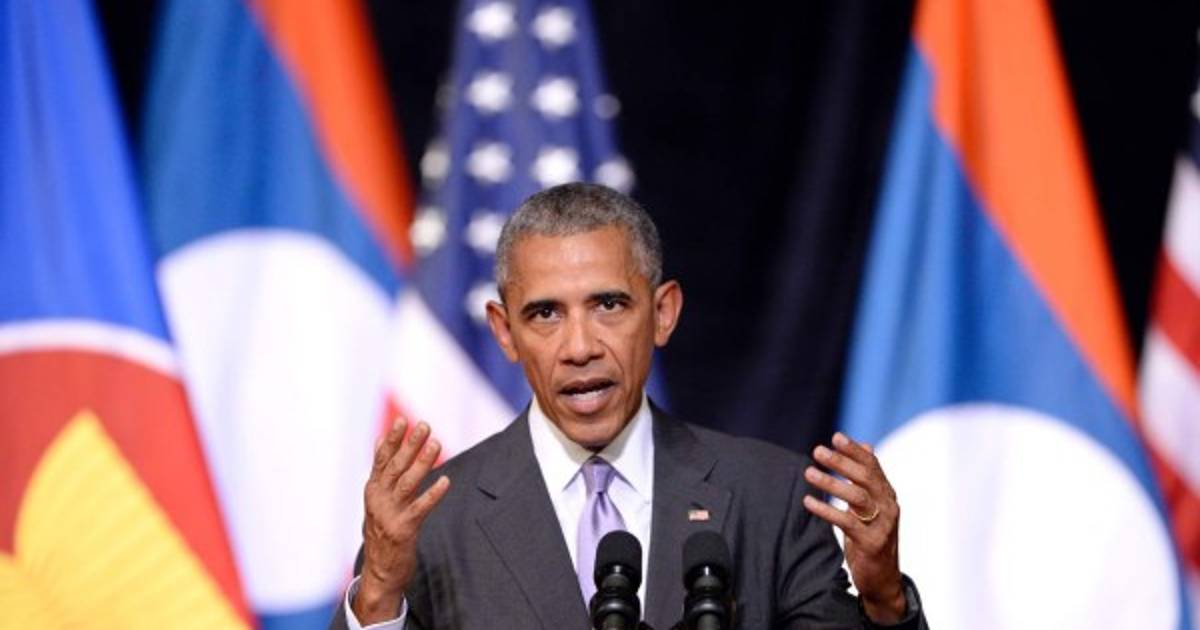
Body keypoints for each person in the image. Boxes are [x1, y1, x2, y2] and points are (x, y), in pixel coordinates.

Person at [332, 183, 927, 629]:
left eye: (609, 305)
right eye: (546, 314)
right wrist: (379, 590)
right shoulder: (433, 521)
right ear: (505, 332)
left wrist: (883, 601)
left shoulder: (771, 498)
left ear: (663, 313)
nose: (580, 347)